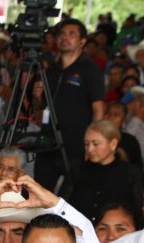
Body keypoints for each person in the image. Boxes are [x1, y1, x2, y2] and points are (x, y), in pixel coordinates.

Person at [34, 18, 105, 192]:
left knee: (71, 200)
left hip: (76, 149)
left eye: (72, 34)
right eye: (62, 34)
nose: (65, 37)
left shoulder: (90, 68)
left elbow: (99, 110)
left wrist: (92, 145)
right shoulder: (50, 70)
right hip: (47, 146)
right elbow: (40, 110)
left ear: (82, 41)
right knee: (39, 197)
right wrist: (37, 97)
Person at [72, 120, 144, 224]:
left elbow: (139, 210)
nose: (90, 149)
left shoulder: (130, 172)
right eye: (86, 144)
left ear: (113, 144)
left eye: (95, 144)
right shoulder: (78, 169)